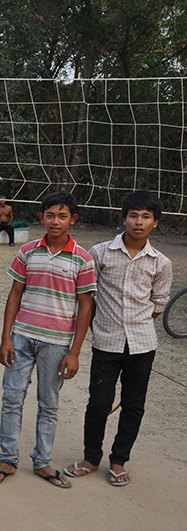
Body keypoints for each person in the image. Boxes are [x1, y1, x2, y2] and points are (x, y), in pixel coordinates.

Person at [0, 191, 96, 488]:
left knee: (49, 404)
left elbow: (86, 306)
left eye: (62, 216)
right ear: (41, 218)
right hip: (21, 337)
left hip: (57, 343)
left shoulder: (83, 259)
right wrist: (6, 337)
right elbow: (15, 294)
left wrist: (74, 352)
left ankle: (42, 461)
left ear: (73, 219)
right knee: (12, 398)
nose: (55, 221)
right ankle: (8, 458)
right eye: (50, 215)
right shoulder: (28, 251)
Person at [64, 190, 172, 487]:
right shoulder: (99, 253)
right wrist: (105, 321)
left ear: (155, 223)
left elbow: (158, 304)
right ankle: (90, 457)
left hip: (142, 345)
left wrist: (135, 324)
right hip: (106, 343)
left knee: (134, 405)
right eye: (133, 215)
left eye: (146, 217)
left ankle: (118, 460)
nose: (139, 222)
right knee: (99, 402)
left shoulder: (160, 263)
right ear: (124, 218)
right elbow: (88, 297)